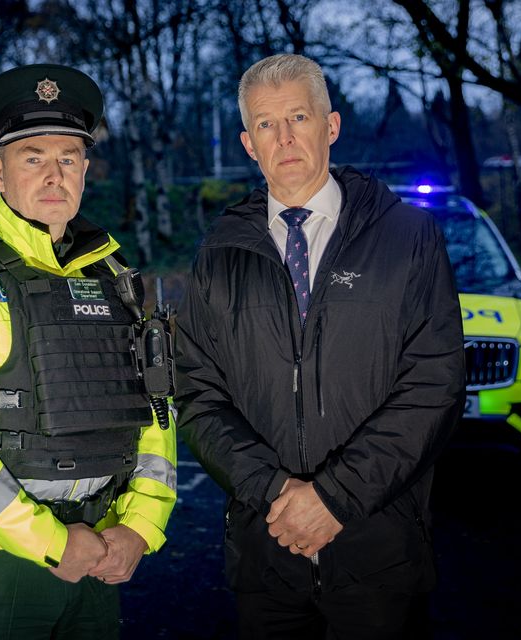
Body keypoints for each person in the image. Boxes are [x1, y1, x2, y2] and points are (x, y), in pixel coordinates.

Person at [174, 53, 465, 639]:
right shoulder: (220, 254)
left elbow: (435, 385)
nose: (284, 137)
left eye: (298, 117)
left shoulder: (408, 237)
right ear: (248, 143)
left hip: (377, 550)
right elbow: (197, 395)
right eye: (265, 124)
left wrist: (334, 498)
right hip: (267, 552)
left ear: (330, 126)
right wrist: (278, 494)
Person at [0, 63, 177, 639]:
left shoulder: (118, 278)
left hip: (101, 554)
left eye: (68, 159)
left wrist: (142, 525)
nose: (55, 176)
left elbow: (157, 414)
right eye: (33, 159)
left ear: (85, 169)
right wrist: (49, 543)